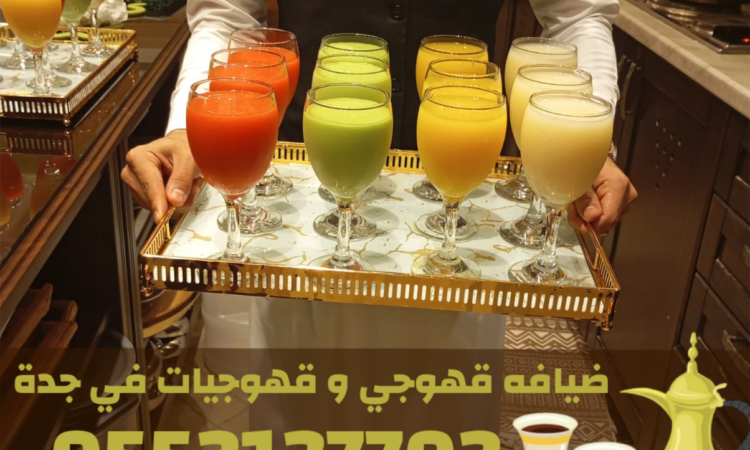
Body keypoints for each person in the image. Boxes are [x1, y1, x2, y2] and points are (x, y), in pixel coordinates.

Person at [122, 0, 636, 353]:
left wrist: (586, 132)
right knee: (301, 395)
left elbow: (578, 15)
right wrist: (187, 127)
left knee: (445, 401)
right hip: (307, 180)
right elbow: (226, 14)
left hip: (461, 170)